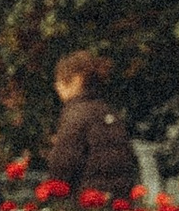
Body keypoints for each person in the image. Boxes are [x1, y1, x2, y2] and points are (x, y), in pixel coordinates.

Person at [44, 53, 135, 202]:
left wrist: (50, 197)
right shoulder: (109, 112)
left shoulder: (76, 115)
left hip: (87, 203)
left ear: (77, 80)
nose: (57, 86)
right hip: (118, 202)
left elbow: (63, 165)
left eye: (61, 80)